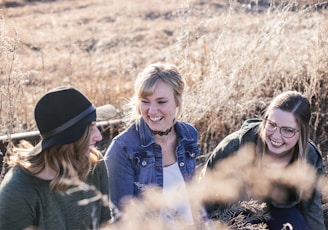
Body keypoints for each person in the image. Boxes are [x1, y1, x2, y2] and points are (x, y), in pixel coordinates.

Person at [201, 91, 325, 230]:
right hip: (238, 211)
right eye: (271, 124)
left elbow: (311, 209)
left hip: (282, 212)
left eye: (287, 130)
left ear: (302, 132)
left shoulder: (310, 157)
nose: (276, 136)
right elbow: (204, 192)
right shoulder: (234, 147)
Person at [0, 86, 112, 229]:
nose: (99, 136)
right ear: (68, 138)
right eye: (90, 128)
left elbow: (106, 224)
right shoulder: (18, 192)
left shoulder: (94, 163)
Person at [104, 62, 200, 225]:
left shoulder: (189, 135)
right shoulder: (123, 149)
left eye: (161, 102)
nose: (152, 110)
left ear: (177, 101)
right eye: (145, 101)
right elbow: (121, 220)